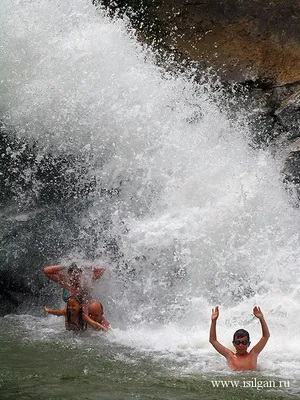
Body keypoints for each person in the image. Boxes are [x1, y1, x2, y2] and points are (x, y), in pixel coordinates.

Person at [209, 306, 270, 371]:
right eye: (238, 342)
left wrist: (261, 318)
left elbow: (265, 336)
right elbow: (213, 341)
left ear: (248, 344)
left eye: (244, 342)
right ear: (233, 343)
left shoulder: (253, 354)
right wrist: (213, 321)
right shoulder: (229, 355)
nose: (241, 345)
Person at [44, 295, 108, 332]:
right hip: (69, 333)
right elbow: (57, 313)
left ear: (80, 306)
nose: (70, 308)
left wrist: (105, 329)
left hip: (80, 336)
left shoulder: (82, 315)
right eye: (69, 305)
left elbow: (94, 323)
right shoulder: (66, 312)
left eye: (73, 306)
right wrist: (49, 311)